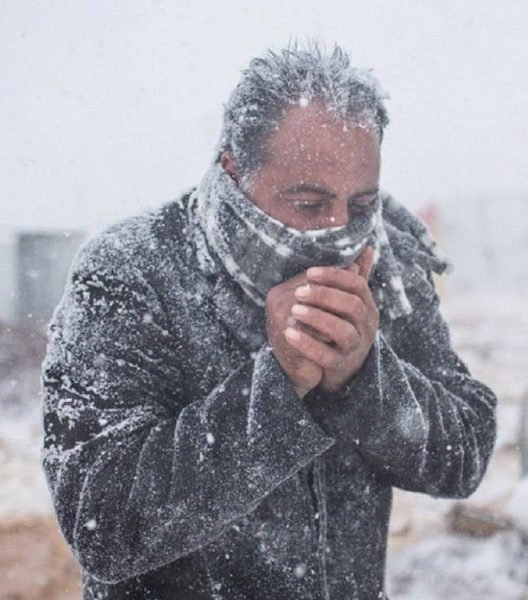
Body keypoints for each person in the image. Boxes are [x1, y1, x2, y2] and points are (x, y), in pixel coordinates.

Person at [41, 43, 497, 599]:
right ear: (236, 168)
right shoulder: (131, 271)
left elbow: (464, 452)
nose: (337, 229)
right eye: (308, 203)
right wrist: (277, 387)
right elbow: (103, 525)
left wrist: (363, 379)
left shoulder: (386, 260)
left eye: (360, 204)